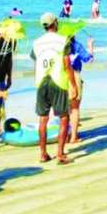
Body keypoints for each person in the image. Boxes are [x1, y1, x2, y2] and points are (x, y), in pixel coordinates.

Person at [30, 13, 76, 164]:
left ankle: (43, 154)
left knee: (43, 119)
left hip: (41, 81)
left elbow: (36, 62)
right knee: (64, 118)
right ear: (55, 23)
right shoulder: (63, 40)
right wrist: (73, 85)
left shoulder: (36, 42)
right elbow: (67, 65)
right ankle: (60, 154)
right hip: (58, 81)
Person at [66, 30, 92, 144]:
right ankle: (73, 137)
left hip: (60, 76)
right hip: (75, 75)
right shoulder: (76, 45)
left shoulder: (59, 45)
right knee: (75, 109)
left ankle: (65, 135)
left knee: (64, 110)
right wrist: (90, 46)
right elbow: (88, 59)